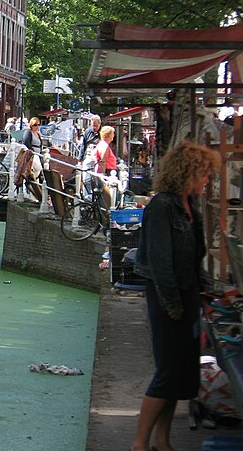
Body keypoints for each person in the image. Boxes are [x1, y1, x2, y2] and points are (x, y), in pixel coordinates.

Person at [129, 140, 220, 451]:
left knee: (179, 373)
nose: (207, 181)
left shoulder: (188, 206)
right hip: (169, 298)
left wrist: (206, 292)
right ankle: (139, 444)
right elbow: (160, 262)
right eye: (204, 175)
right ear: (188, 174)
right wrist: (173, 305)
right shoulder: (162, 207)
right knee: (168, 372)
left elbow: (195, 257)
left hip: (187, 295)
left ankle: (162, 442)